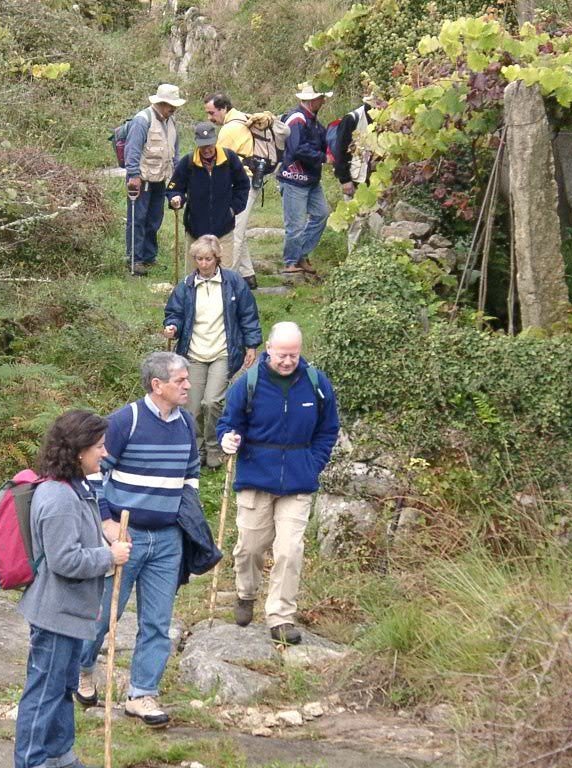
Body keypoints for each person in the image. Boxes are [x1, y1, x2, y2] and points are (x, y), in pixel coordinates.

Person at [77, 352, 199, 728]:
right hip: (124, 537)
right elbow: (93, 472)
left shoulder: (187, 423)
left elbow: (191, 474)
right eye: (180, 380)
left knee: (158, 621)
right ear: (157, 385)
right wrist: (106, 522)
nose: (188, 385)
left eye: (187, 379)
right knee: (102, 616)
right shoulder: (124, 421)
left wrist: (186, 515)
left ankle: (142, 694)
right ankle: (81, 670)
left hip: (168, 539)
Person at [15, 410, 132, 768]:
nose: (105, 453)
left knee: (62, 688)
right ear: (78, 451)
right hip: (55, 614)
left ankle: (60, 756)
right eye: (99, 446)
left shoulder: (75, 488)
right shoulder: (58, 498)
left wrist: (109, 541)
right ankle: (31, 761)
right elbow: (64, 560)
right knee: (44, 692)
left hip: (70, 613)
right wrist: (109, 556)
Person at [217, 322, 339, 645]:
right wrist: (228, 438)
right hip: (255, 477)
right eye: (282, 354)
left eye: (293, 355)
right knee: (250, 547)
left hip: (298, 481)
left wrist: (313, 463)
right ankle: (246, 593)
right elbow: (228, 423)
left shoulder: (316, 383)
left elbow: (328, 429)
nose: (287, 361)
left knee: (289, 551)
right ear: (269, 348)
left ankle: (281, 617)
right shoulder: (248, 383)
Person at [163, 235, 262, 468]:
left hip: (222, 352)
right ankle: (197, 448)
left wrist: (251, 345)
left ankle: (214, 446)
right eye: (199, 259)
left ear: (217, 259)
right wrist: (172, 327)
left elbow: (248, 315)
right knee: (193, 405)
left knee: (212, 401)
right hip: (194, 353)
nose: (204, 264)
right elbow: (175, 313)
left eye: (208, 259)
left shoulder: (234, 283)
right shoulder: (186, 286)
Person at [166, 121, 250, 268]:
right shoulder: (188, 162)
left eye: (209, 145)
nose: (206, 150)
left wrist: (232, 209)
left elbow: (243, 185)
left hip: (224, 230)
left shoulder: (229, 158)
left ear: (215, 141)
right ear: (197, 143)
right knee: (194, 276)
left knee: (224, 275)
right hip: (195, 232)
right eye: (203, 145)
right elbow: (174, 188)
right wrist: (176, 198)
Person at [124, 83, 186, 277]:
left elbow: (174, 152)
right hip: (141, 180)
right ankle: (135, 260)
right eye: (170, 105)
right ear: (161, 103)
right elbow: (132, 150)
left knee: (154, 220)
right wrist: (133, 175)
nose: (174, 108)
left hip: (160, 179)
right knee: (137, 220)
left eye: (175, 105)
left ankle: (149, 257)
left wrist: (177, 177)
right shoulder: (142, 121)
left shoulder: (171, 122)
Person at [204, 92, 259, 290]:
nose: (210, 118)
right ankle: (247, 274)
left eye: (212, 113)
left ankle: (228, 281)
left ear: (224, 108)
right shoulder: (243, 118)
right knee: (238, 227)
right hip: (249, 180)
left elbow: (217, 163)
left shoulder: (230, 129)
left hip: (242, 183)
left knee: (233, 233)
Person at [277, 82, 333, 277]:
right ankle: (290, 262)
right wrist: (324, 157)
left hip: (310, 179)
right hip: (294, 179)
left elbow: (324, 140)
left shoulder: (312, 120)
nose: (324, 101)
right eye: (321, 98)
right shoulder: (297, 119)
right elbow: (297, 149)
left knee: (321, 214)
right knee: (296, 224)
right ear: (312, 100)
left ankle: (300, 254)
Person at [332, 97, 374, 249]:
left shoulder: (386, 118)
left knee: (376, 223)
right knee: (356, 224)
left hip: (375, 181)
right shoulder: (351, 119)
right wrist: (345, 180)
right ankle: (353, 257)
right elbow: (339, 152)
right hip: (355, 180)